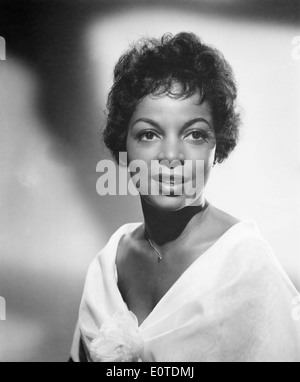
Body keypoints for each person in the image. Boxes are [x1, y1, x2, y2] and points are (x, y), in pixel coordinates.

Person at [70, 32, 300, 362]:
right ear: (124, 147)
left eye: (194, 134)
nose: (172, 155)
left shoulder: (245, 264)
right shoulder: (109, 263)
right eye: (149, 134)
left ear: (216, 145)